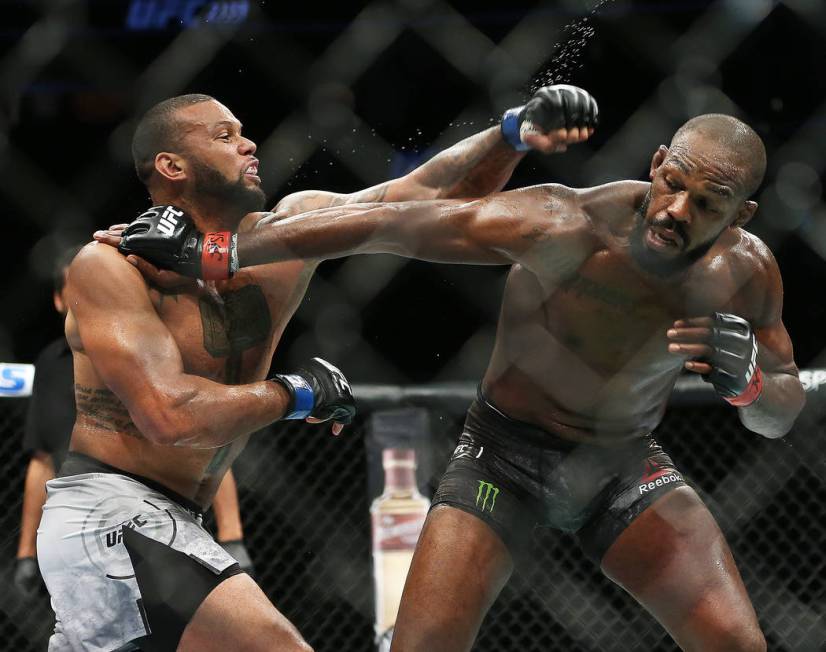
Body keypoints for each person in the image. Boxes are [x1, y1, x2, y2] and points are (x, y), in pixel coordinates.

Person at [113, 110, 806, 652]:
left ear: (741, 214)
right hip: (500, 457)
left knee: (737, 641)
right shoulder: (564, 222)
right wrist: (218, 250)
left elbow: (779, 411)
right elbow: (392, 222)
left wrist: (749, 386)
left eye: (708, 203)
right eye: (674, 182)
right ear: (657, 164)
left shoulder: (745, 274)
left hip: (623, 465)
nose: (677, 210)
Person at [57, 86, 594, 652]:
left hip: (182, 516)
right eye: (224, 136)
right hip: (111, 510)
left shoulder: (289, 234)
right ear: (172, 165)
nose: (248, 144)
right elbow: (168, 416)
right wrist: (298, 392)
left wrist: (510, 133)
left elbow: (429, 199)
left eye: (243, 132)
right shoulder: (118, 265)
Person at [14, 247, 255, 602]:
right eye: (78, 287)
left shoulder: (151, 353)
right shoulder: (50, 364)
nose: (89, 294)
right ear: (58, 300)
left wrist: (232, 533)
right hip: (75, 526)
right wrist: (26, 552)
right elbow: (42, 460)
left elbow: (202, 441)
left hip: (151, 518)